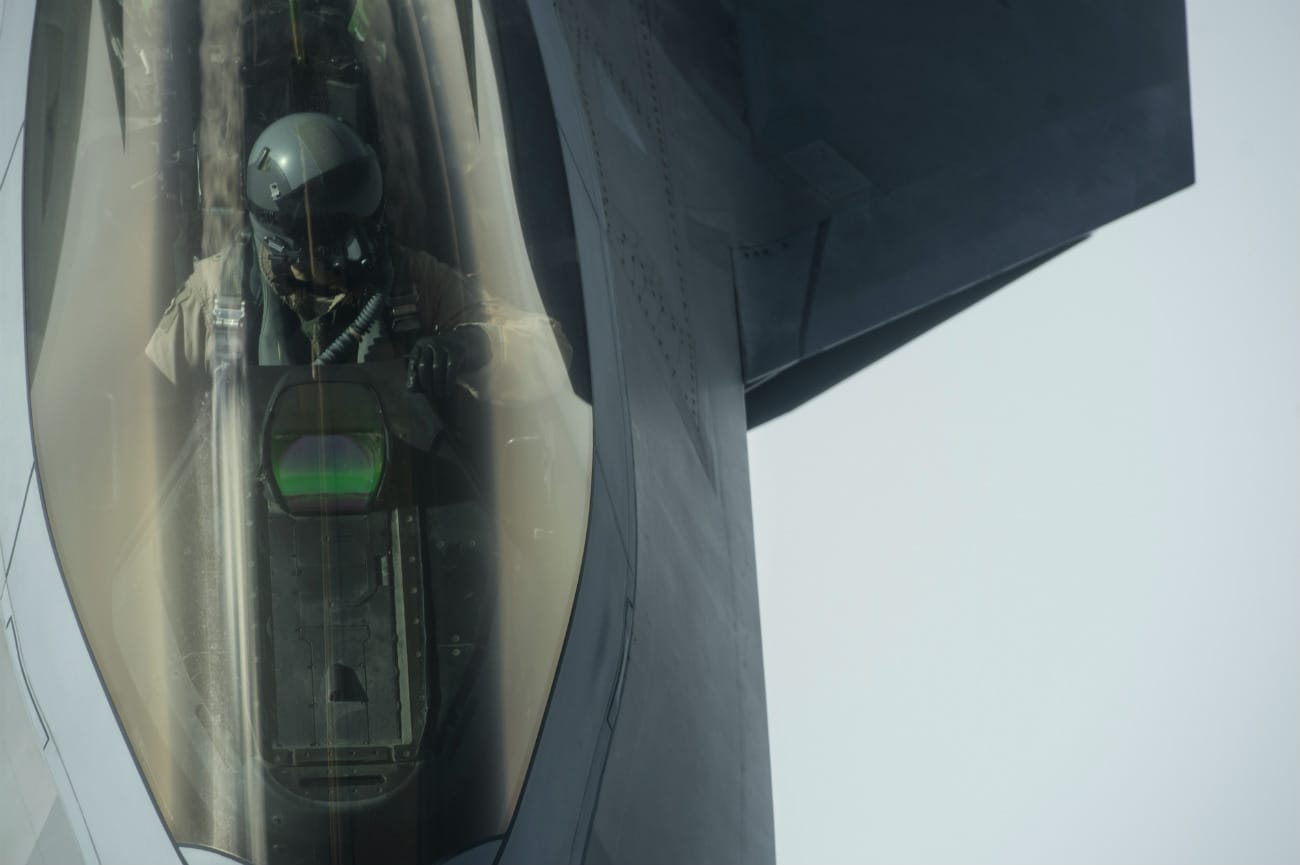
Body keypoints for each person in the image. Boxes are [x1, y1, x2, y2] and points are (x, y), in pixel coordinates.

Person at [146, 112, 568, 403]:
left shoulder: (409, 279)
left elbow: (550, 350)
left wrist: (475, 346)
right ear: (283, 247)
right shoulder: (219, 293)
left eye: (366, 223)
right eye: (340, 237)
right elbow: (148, 402)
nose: (365, 249)